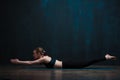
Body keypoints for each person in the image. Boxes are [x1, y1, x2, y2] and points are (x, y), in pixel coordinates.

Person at [10, 47, 117, 69]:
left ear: (39, 54)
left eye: (34, 54)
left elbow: (29, 63)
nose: (33, 56)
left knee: (86, 63)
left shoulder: (43, 59)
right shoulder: (44, 58)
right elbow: (32, 62)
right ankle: (105, 57)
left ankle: (105, 57)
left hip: (67, 64)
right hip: (66, 64)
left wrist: (18, 61)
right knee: (86, 63)